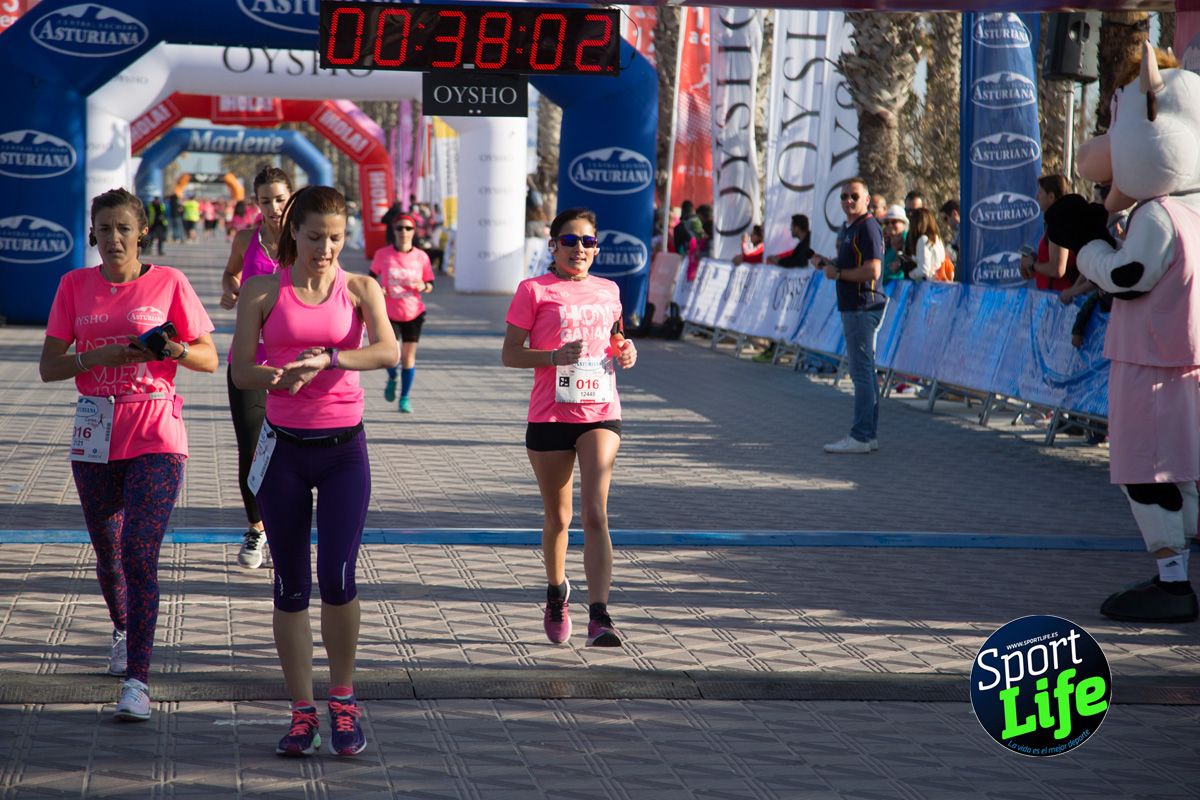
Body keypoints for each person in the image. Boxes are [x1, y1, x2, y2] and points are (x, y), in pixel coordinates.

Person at [231, 185, 398, 757]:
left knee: (339, 578)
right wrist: (277, 376)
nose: (325, 249)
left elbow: (388, 352)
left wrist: (329, 358)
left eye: (335, 237)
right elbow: (242, 371)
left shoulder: (360, 287)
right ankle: (302, 712)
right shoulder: (261, 291)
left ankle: (344, 701)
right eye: (313, 237)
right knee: (290, 586)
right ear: (291, 234)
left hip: (344, 451)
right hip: (283, 453)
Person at [38, 188, 217, 721]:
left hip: (155, 428)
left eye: (123, 228)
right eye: (104, 229)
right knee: (109, 552)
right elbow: (50, 366)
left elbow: (209, 357)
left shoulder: (169, 282)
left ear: (141, 231)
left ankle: (138, 680)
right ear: (91, 233)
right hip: (95, 429)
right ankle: (122, 628)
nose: (113, 239)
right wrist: (101, 355)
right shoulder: (73, 285)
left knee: (140, 549)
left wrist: (176, 349)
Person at [1044, 44, 1200, 623]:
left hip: (1150, 360)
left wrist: (1087, 250)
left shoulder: (1160, 213)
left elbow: (1130, 277)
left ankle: (1173, 581)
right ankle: (1174, 569)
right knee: (1176, 470)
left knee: (1144, 470)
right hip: (1175, 357)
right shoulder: (1190, 211)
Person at [501, 207, 638, 649]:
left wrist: (625, 348)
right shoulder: (534, 290)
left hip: (600, 412)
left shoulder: (610, 290)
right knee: (558, 519)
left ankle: (600, 615)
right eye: (570, 241)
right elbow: (510, 354)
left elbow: (615, 337)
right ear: (553, 246)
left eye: (588, 242)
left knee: (595, 512)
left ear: (596, 247)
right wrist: (552, 358)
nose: (579, 249)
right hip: (550, 416)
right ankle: (557, 592)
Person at [219, 166, 292, 569]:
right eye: (266, 200)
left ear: (291, 197)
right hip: (247, 359)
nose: (274, 207)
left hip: (292, 361)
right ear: (256, 203)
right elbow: (230, 276)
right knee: (251, 448)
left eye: (280, 198)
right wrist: (231, 292)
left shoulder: (304, 239)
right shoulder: (246, 239)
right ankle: (256, 528)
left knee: (289, 449)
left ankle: (285, 531)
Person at [812, 177, 886, 454]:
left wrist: (839, 273)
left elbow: (873, 271)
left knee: (862, 373)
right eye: (844, 197)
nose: (848, 201)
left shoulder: (867, 227)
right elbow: (844, 267)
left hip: (862, 306)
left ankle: (861, 436)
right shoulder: (848, 228)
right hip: (853, 306)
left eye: (854, 196)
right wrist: (827, 264)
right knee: (865, 371)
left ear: (867, 199)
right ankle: (869, 435)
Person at [370, 211, 434, 413]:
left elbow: (431, 283)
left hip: (413, 313)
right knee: (391, 356)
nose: (404, 232)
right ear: (394, 230)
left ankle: (404, 398)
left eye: (408, 228)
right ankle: (392, 376)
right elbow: (370, 279)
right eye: (399, 228)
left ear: (414, 231)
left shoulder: (421, 256)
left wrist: (422, 286)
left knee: (408, 357)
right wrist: (377, 289)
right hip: (389, 313)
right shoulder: (383, 254)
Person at [1020, 174, 1078, 292]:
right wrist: (1031, 269)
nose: (1037, 197)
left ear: (1051, 197)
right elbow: (1051, 268)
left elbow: (1057, 270)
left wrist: (1033, 265)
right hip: (1051, 298)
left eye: (1040, 193)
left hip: (1059, 301)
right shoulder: (1056, 222)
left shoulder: (1060, 224)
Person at [895, 208, 947, 282]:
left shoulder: (923, 239)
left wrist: (910, 275)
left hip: (928, 284)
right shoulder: (936, 238)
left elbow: (924, 270)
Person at [880, 205, 909, 284]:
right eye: (886, 223)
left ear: (904, 223)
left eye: (894, 222)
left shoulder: (908, 240)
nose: (889, 225)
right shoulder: (886, 244)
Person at [938, 200, 961, 265]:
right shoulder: (958, 232)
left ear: (954, 213)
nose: (946, 223)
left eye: (945, 219)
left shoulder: (964, 232)